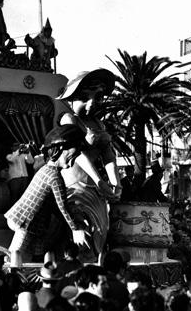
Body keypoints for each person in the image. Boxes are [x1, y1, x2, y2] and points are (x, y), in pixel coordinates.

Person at [57, 68, 121, 259]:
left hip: (95, 188)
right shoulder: (69, 119)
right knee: (80, 229)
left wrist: (116, 183)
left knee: (101, 230)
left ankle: (95, 269)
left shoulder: (98, 124)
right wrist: (100, 181)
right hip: (74, 185)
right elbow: (77, 154)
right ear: (71, 99)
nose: (91, 103)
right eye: (85, 98)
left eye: (97, 97)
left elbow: (109, 155)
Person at [4, 124, 89, 268]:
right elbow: (62, 206)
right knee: (15, 253)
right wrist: (75, 229)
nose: (72, 161)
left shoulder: (47, 170)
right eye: (71, 156)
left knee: (39, 252)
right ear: (60, 150)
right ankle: (12, 275)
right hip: (26, 221)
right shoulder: (54, 176)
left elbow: (55, 205)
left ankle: (41, 277)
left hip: (34, 223)